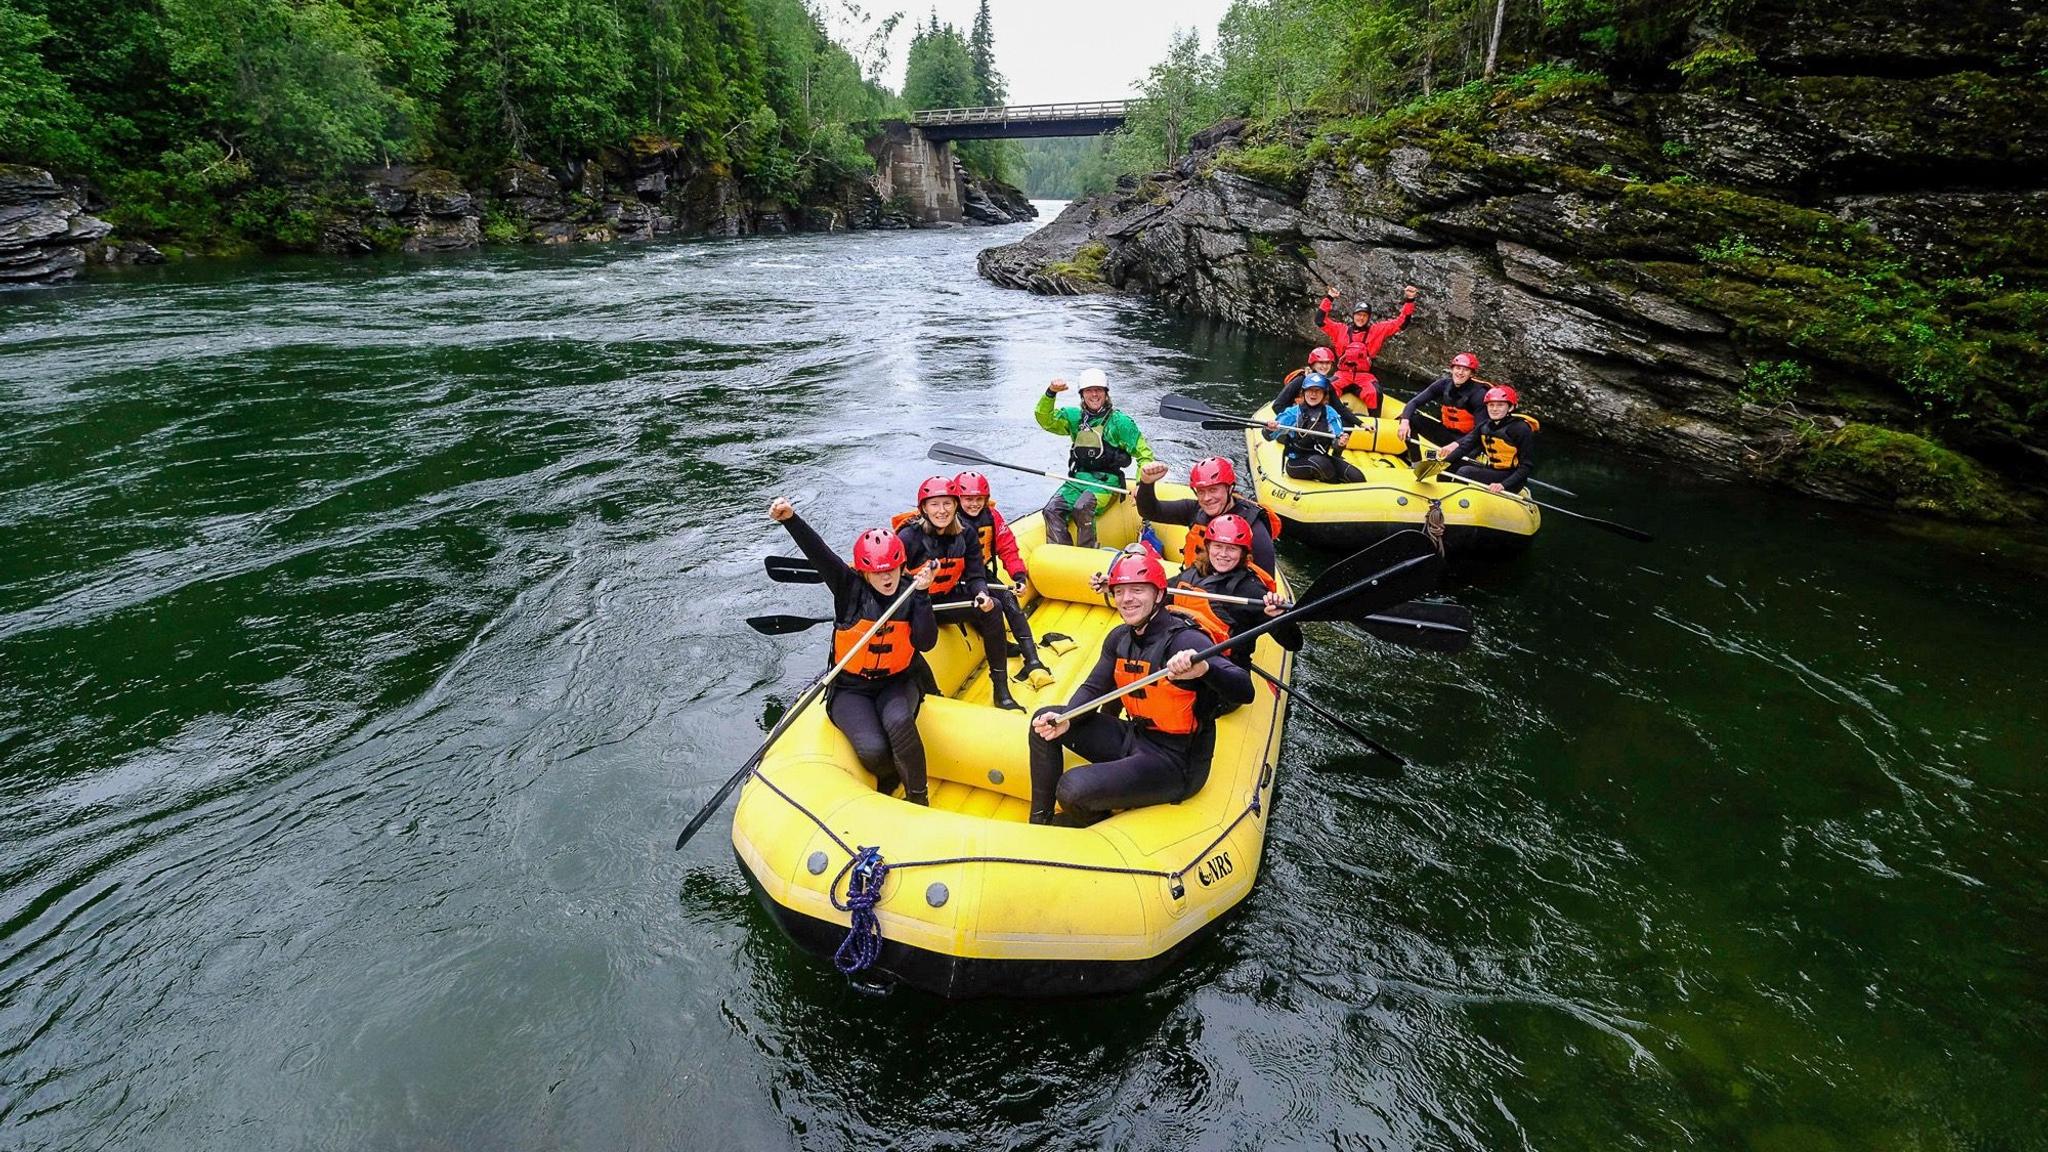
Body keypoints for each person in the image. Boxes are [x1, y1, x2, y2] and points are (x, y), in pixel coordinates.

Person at [1027, 549, 1253, 827]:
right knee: (1046, 720)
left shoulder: (1185, 641)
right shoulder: (1120, 638)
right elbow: (1093, 687)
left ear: (1159, 594)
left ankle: (1099, 820)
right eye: (1120, 592)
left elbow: (1245, 690)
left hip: (1176, 761)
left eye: (1137, 590)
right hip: (1135, 737)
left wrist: (1206, 669)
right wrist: (1067, 719)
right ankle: (1039, 821)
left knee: (1072, 788)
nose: (1127, 599)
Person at [770, 498, 939, 804]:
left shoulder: (911, 593)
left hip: (897, 681)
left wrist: (924, 596)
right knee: (873, 749)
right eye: (878, 572)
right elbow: (819, 554)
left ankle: (919, 797)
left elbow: (926, 643)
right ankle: (888, 777)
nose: (887, 578)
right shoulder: (848, 589)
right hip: (850, 688)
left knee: (899, 721)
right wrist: (790, 519)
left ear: (901, 566)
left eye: (892, 570)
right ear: (864, 572)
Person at [896, 475, 1023, 710]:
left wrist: (981, 594)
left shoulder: (966, 535)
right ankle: (932, 693)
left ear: (956, 505)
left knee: (993, 607)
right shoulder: (908, 538)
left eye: (947, 503)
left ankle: (1001, 690)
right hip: (919, 606)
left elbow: (976, 575)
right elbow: (892, 583)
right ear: (923, 508)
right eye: (934, 504)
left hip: (946, 600)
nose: (941, 510)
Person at [953, 470, 1055, 690]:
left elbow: (1007, 546)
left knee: (1009, 599)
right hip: (957, 581)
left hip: (981, 574)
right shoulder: (950, 521)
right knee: (991, 608)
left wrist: (1018, 575)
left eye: (979, 499)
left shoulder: (991, 516)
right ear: (958, 499)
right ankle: (1000, 650)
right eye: (968, 499)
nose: (974, 504)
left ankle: (1032, 658)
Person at [1035, 368, 1154, 548]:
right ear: (1082, 394)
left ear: (1106, 393)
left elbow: (1144, 454)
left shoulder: (1120, 422)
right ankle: (1061, 556)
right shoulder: (1074, 417)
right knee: (1051, 510)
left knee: (1082, 508)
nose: (1094, 394)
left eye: (1099, 390)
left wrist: (1141, 485)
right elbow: (1046, 420)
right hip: (1077, 480)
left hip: (1108, 484)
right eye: (1089, 390)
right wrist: (1051, 393)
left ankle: (1088, 553)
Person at [1166, 513, 1297, 672]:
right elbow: (1159, 599)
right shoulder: (1193, 573)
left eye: (1232, 548)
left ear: (1243, 553)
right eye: (1218, 546)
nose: (1223, 554)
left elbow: (1293, 643)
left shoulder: (1252, 590)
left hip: (1224, 670)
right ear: (1208, 547)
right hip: (1181, 657)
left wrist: (1279, 617)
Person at [1135, 455, 1279, 574]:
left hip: (1228, 596)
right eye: (1201, 491)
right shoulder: (1195, 509)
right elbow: (1150, 511)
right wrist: (1146, 483)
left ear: (1230, 489)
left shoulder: (1254, 528)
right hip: (1195, 584)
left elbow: (1265, 581)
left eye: (1213, 490)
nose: (1206, 498)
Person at [1316, 283, 1419, 414]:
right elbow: (1319, 320)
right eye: (1358, 314)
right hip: (1343, 374)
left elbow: (1402, 323)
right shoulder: (1340, 330)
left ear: (1368, 317)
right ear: (1353, 316)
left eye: (1365, 315)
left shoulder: (1377, 330)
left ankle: (1373, 427)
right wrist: (1329, 298)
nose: (1361, 318)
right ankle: (1322, 418)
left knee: (1374, 393)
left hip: (1364, 377)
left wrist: (1410, 300)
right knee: (1325, 389)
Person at [1433, 385, 1539, 493]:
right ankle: (1438, 496)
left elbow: (1526, 466)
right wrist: (1440, 464)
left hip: (1510, 478)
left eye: (1500, 405)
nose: (1494, 409)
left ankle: (1457, 502)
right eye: (1491, 405)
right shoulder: (1484, 425)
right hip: (1492, 470)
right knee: (1450, 465)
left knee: (1465, 472)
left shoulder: (1521, 429)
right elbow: (1464, 448)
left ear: (1510, 407)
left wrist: (1503, 485)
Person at [1264, 373, 1366, 484]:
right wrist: (1270, 429)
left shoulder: (1330, 413)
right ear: (1304, 392)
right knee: (1322, 463)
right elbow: (1268, 436)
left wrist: (1340, 442)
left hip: (1322, 456)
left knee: (1357, 476)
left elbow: (1336, 442)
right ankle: (1335, 486)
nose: (1313, 394)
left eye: (1318, 390)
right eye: (1310, 390)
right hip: (1296, 462)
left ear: (1324, 394)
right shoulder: (1292, 413)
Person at [1400, 352, 1488, 445]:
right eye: (1458, 368)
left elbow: (1479, 431)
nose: (1460, 373)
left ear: (1471, 374)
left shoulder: (1479, 394)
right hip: (1445, 433)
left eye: (1466, 370)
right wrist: (1405, 421)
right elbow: (1414, 402)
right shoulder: (1443, 384)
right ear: (1452, 369)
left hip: (1465, 441)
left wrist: (1456, 445)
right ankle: (1415, 459)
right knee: (1411, 419)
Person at [1271, 346, 1335, 411]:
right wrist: (1292, 419)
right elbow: (1277, 405)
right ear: (1313, 364)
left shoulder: (1326, 383)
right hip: (1296, 416)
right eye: (1321, 362)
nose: (1324, 366)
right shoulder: (1300, 380)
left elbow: (1339, 408)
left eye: (1327, 363)